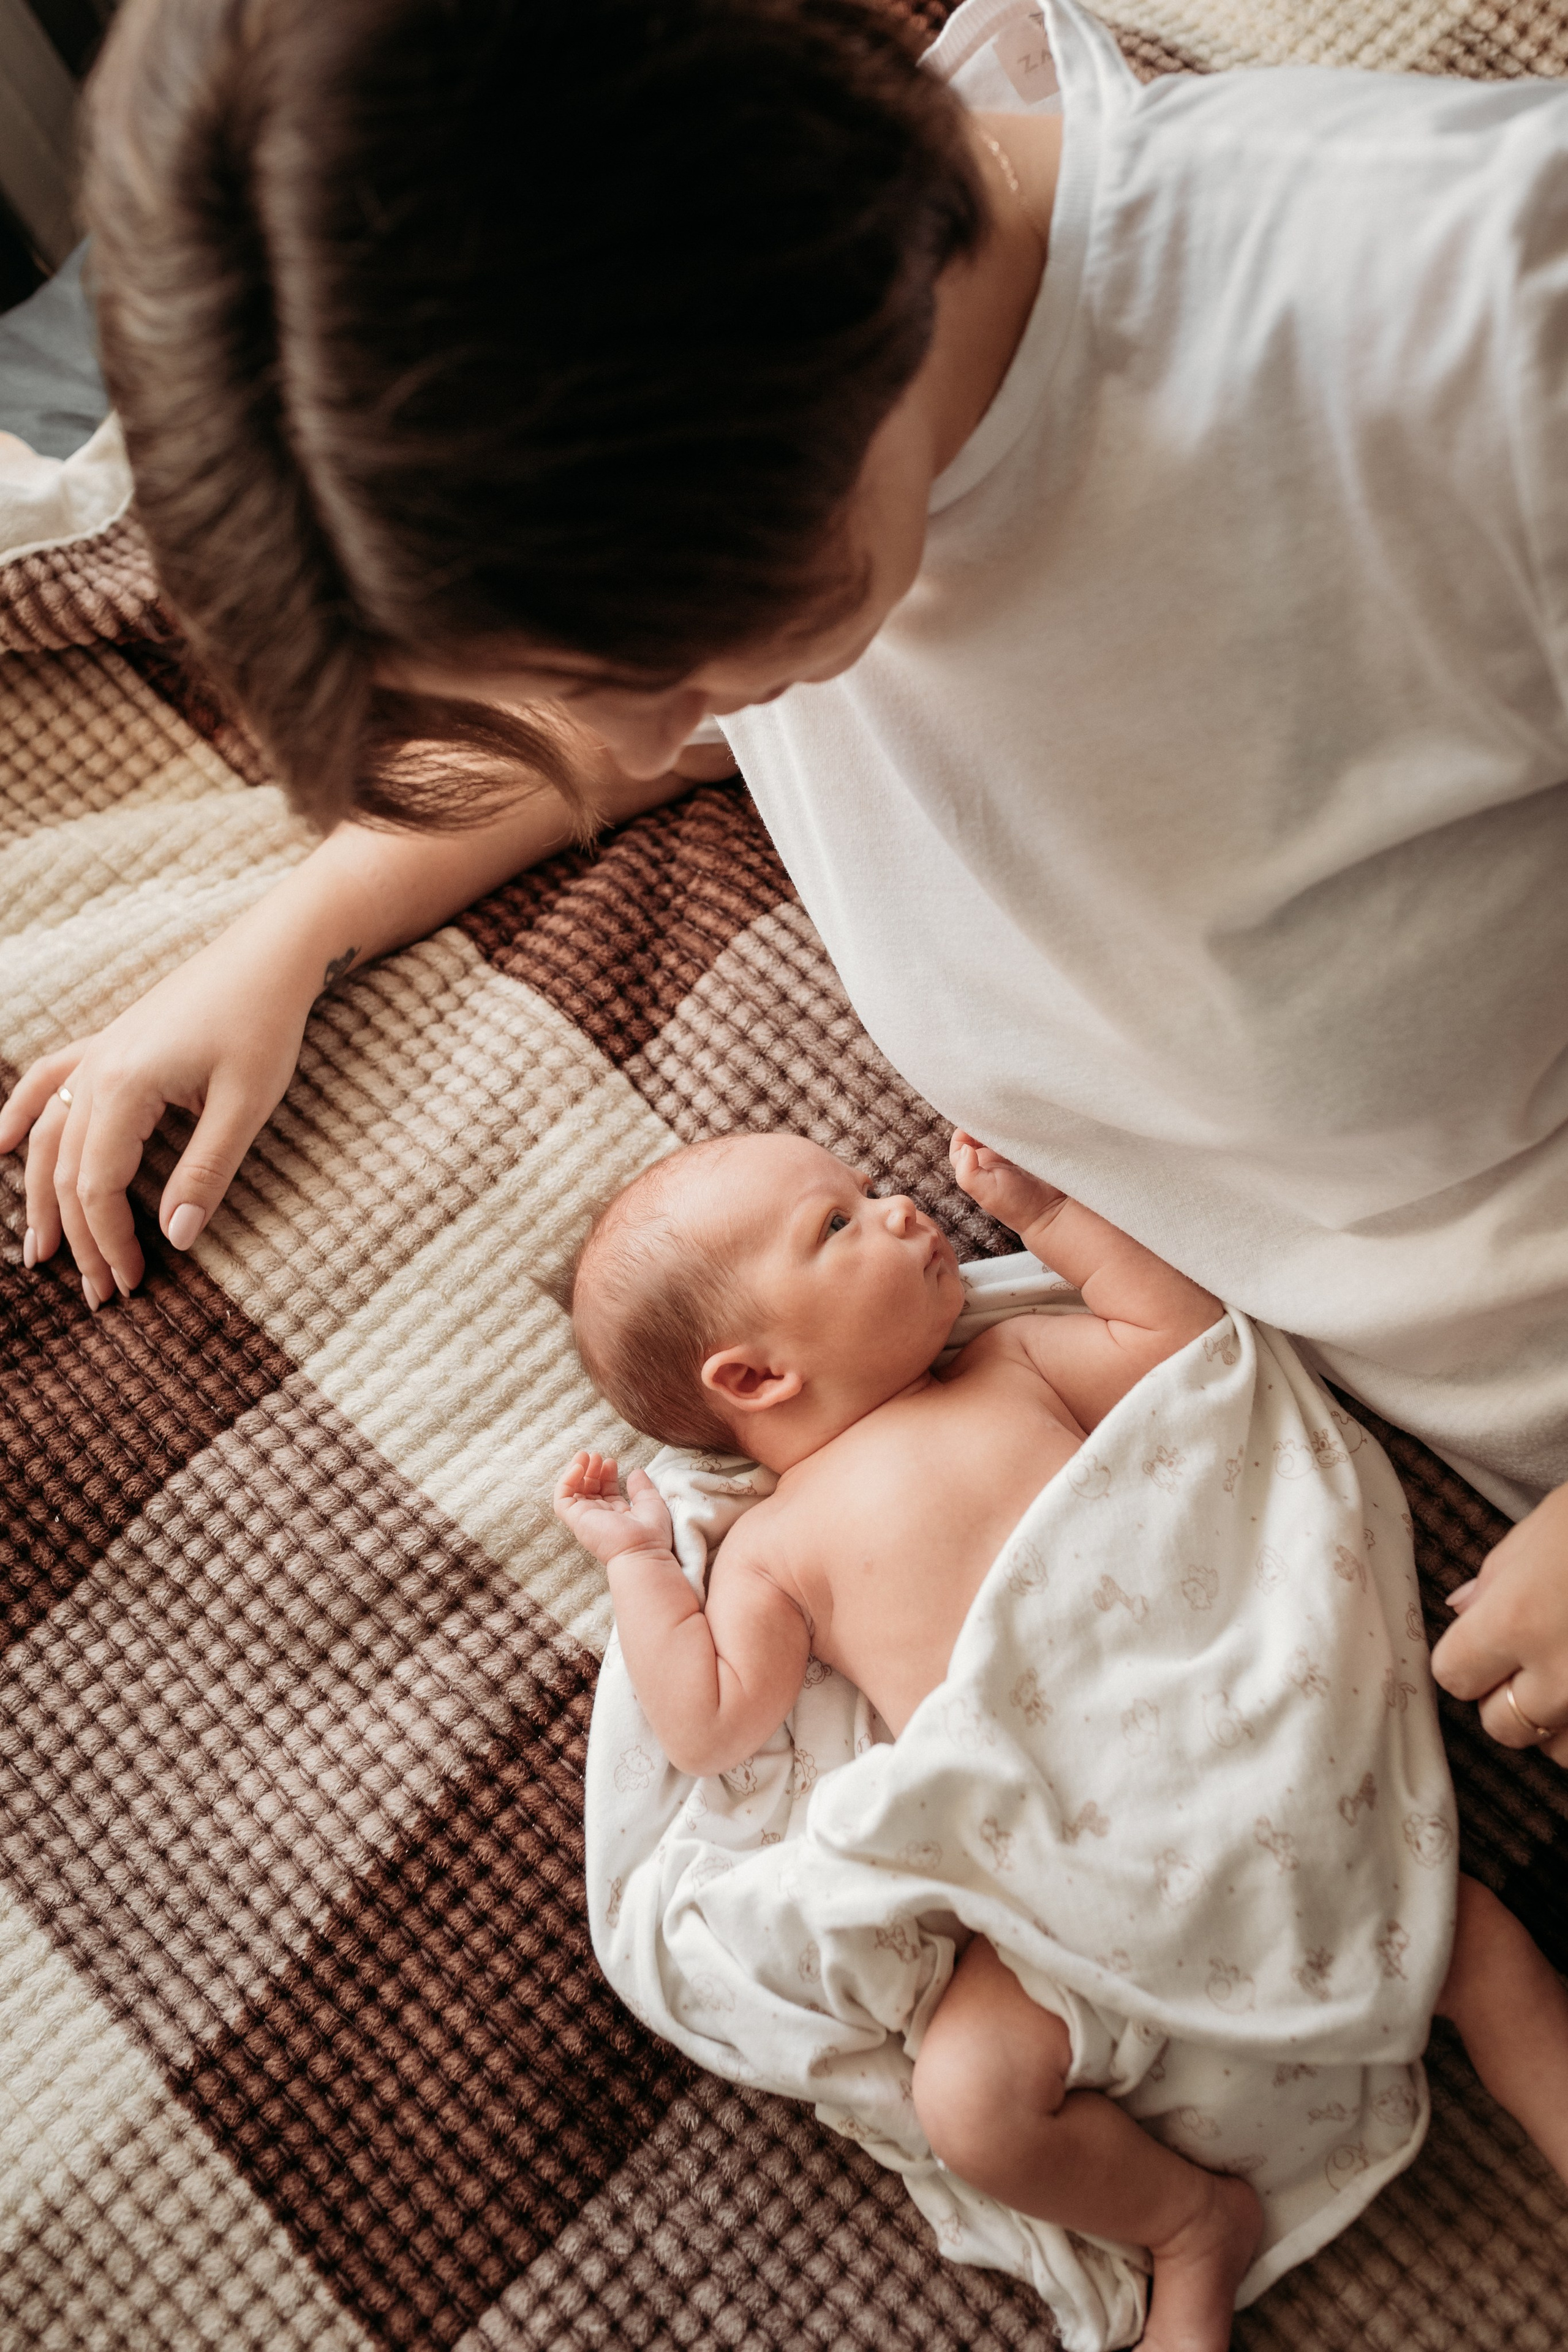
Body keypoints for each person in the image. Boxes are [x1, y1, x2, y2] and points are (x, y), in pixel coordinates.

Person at [2, 0, 1567, 1761]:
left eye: (685, 634)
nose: (648, 718)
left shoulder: (1473, 329)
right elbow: (648, 735)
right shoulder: (772, 461)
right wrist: (287, 940)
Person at [554, 1126, 1568, 2352]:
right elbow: (708, 1723)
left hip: (1222, 1758)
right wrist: (636, 1566)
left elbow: (1183, 1353)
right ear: (754, 1378)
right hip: (1049, 1866)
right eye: (835, 1225)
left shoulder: (1012, 1362)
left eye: (869, 1193)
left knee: (1475, 1949)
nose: (899, 1210)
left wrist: (1050, 1217)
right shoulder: (773, 1546)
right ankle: (1188, 2229)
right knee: (969, 2104)